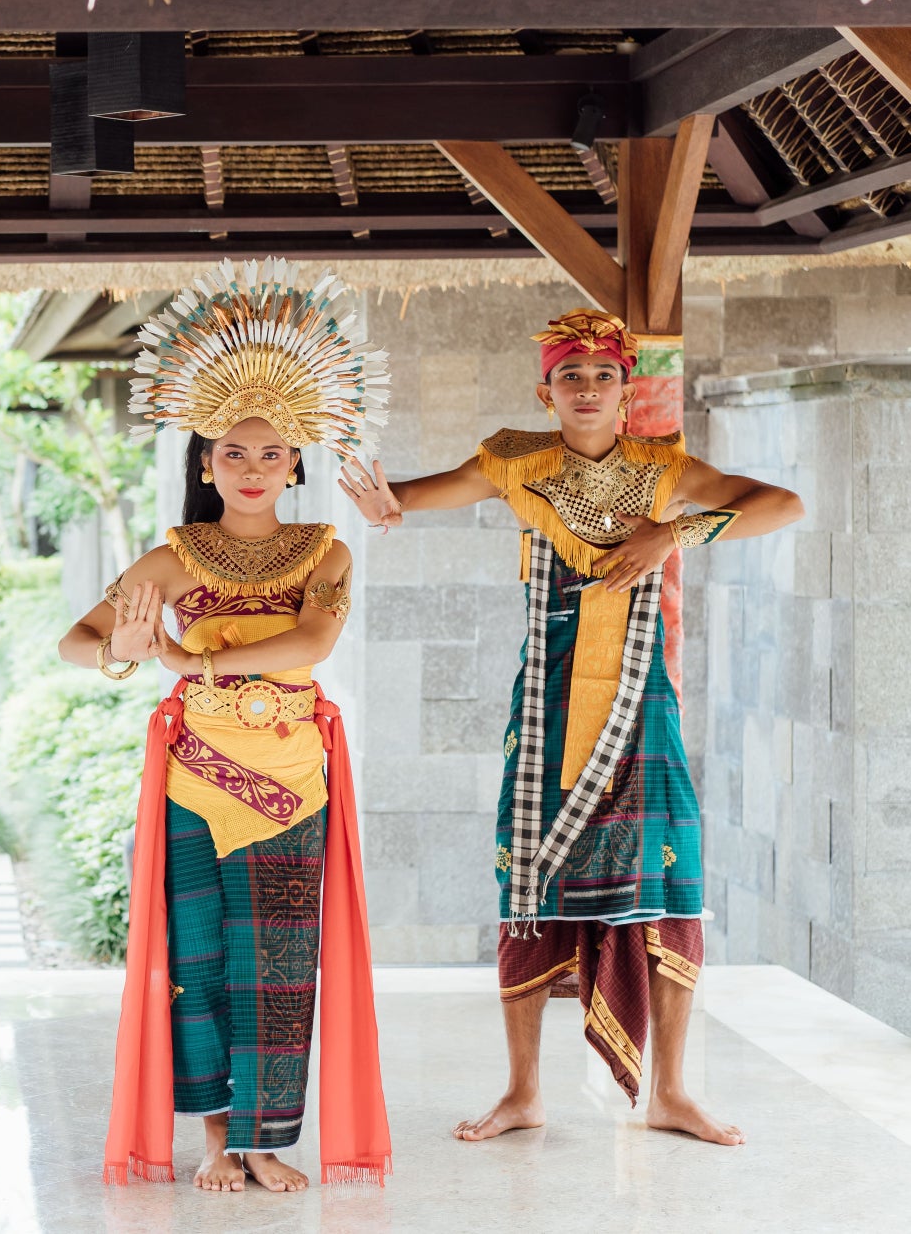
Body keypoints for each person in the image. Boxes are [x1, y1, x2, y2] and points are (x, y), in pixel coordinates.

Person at [339, 307, 804, 1147]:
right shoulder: (515, 462)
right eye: (569, 376)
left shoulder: (665, 471)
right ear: (544, 390)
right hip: (548, 705)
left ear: (628, 393)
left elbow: (784, 503)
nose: (586, 389)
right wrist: (377, 497)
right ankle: (522, 1091)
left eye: (602, 376)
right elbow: (402, 501)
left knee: (669, 883)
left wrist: (672, 530)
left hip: (641, 707)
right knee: (528, 887)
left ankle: (669, 1091)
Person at [69, 258, 393, 1194]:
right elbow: (76, 642)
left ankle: (268, 1139)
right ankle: (218, 1138)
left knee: (282, 966)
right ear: (205, 463)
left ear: (297, 463)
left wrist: (187, 662)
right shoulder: (172, 557)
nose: (253, 470)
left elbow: (312, 642)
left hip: (291, 772)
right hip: (194, 777)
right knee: (198, 958)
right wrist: (131, 650)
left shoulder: (324, 551)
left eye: (271, 454)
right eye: (233, 454)